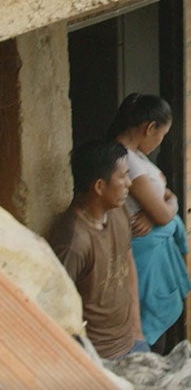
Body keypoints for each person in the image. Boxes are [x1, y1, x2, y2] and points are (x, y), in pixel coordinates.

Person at [48, 140, 149, 359]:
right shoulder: (73, 241)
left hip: (132, 341)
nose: (129, 183)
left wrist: (137, 330)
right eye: (123, 177)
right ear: (99, 186)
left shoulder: (118, 211)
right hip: (100, 356)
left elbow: (127, 261)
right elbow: (58, 307)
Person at [108, 92, 191, 354]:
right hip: (144, 256)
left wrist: (169, 201)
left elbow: (166, 200)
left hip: (150, 250)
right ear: (149, 127)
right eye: (161, 135)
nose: (159, 142)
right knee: (149, 330)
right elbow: (164, 213)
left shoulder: (136, 155)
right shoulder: (127, 162)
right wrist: (165, 205)